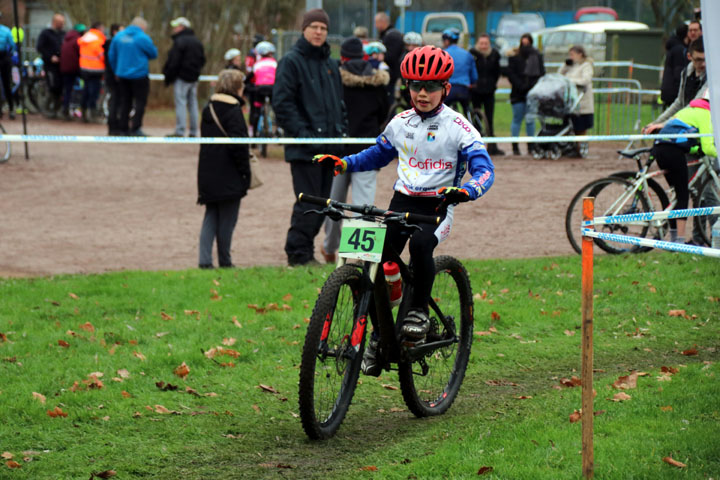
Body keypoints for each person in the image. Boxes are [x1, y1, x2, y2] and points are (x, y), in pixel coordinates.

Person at [315, 45, 494, 375]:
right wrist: (344, 162)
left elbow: (485, 170)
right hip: (402, 202)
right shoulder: (400, 122)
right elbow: (377, 154)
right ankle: (381, 333)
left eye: (431, 87)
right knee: (374, 256)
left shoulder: (460, 127)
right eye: (415, 86)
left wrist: (466, 191)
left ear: (446, 89)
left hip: (438, 206)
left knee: (422, 245)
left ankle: (418, 312)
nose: (422, 93)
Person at [272, 8, 347, 266]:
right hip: (304, 149)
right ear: (304, 29)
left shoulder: (330, 64)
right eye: (314, 27)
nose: (318, 32)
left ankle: (305, 252)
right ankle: (298, 254)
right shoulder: (291, 62)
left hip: (330, 146)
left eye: (323, 28)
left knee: (324, 204)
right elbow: (282, 104)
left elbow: (339, 102)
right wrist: (303, 135)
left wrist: (341, 130)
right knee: (308, 202)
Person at [320, 37, 389, 264]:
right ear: (364, 55)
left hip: (341, 149)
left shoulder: (336, 81)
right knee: (364, 204)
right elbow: (383, 114)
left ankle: (330, 248)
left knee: (335, 202)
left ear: (343, 57)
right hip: (368, 151)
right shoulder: (378, 80)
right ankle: (360, 255)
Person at [197, 69, 251, 269]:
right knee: (227, 220)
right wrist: (246, 173)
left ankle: (204, 261)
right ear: (237, 87)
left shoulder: (207, 108)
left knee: (211, 215)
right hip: (229, 173)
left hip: (207, 170)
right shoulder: (234, 111)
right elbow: (240, 147)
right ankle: (225, 261)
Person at [650, 88, 715, 245]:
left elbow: (685, 137)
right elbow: (708, 147)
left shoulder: (690, 110)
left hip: (661, 147)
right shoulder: (705, 114)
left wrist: (695, 150)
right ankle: (678, 241)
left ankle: (673, 240)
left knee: (676, 195)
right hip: (672, 151)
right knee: (682, 194)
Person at [108, 16, 158, 136]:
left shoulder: (118, 36)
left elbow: (111, 55)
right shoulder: (143, 38)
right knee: (140, 102)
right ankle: (135, 128)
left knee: (125, 102)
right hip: (139, 75)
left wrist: (116, 70)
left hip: (122, 75)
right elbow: (153, 53)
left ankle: (123, 128)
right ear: (142, 27)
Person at [644, 38, 706, 134]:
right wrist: (655, 123)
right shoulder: (685, 73)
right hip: (685, 123)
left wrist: (665, 124)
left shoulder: (712, 77)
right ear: (689, 56)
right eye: (698, 59)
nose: (703, 64)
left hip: (701, 126)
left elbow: (694, 106)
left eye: (705, 59)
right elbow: (679, 102)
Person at [163, 17, 205, 138]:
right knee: (193, 104)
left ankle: (180, 131)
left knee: (181, 103)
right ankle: (193, 131)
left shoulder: (180, 41)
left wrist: (169, 75)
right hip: (194, 78)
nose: (174, 29)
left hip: (182, 78)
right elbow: (202, 60)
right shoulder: (197, 41)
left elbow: (174, 61)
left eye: (176, 26)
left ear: (182, 27)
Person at [504, 33, 544, 156]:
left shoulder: (537, 56)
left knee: (530, 120)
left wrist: (531, 87)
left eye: (528, 42)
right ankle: (515, 147)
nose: (525, 45)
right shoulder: (514, 57)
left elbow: (541, 73)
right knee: (517, 119)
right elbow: (511, 74)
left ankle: (531, 146)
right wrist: (520, 85)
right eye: (523, 42)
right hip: (517, 93)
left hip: (532, 93)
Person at [469, 33, 503, 155]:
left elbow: (497, 72)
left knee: (490, 119)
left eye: (486, 44)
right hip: (475, 91)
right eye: (481, 43)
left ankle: (492, 147)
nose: (483, 46)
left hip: (489, 91)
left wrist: (493, 84)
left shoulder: (494, 55)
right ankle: (475, 146)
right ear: (478, 44)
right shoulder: (472, 55)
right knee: (476, 119)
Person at [558, 45, 594, 156]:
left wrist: (570, 80)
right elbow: (559, 75)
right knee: (569, 127)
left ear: (580, 54)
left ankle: (580, 149)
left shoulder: (586, 66)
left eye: (572, 54)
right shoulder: (571, 65)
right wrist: (565, 65)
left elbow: (585, 80)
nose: (571, 57)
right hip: (571, 103)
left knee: (581, 128)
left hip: (582, 104)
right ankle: (570, 147)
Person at [441, 28, 477, 116]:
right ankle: (473, 124)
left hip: (449, 90)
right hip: (464, 89)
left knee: (442, 112)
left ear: (446, 41)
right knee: (467, 109)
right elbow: (474, 76)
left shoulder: (443, 54)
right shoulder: (467, 54)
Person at [36, 13, 66, 117]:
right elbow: (40, 47)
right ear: (55, 22)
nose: (63, 25)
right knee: (53, 86)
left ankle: (56, 109)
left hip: (61, 65)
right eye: (60, 23)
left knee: (60, 87)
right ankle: (47, 108)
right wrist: (50, 57)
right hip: (50, 65)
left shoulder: (62, 34)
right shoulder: (45, 33)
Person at [247, 41, 276, 143]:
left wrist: (246, 83)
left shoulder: (257, 64)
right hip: (272, 88)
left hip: (259, 89)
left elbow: (251, 77)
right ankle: (279, 129)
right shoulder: (274, 62)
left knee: (256, 110)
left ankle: (254, 136)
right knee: (277, 108)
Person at [77, 21, 106, 123]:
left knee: (86, 90)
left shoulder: (85, 38)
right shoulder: (97, 40)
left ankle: (84, 112)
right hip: (95, 70)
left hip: (84, 69)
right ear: (99, 28)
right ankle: (92, 114)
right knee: (94, 92)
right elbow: (102, 56)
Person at [374, 12, 404, 98]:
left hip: (392, 76)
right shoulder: (386, 34)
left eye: (376, 22)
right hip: (389, 74)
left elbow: (393, 56)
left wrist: (382, 56)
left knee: (390, 99)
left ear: (382, 22)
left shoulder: (392, 35)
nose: (375, 26)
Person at [660, 24, 689, 107]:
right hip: (674, 93)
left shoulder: (672, 48)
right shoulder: (680, 50)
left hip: (668, 90)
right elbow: (679, 72)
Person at [104, 23, 124, 134]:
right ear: (115, 31)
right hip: (114, 77)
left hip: (113, 76)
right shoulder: (112, 44)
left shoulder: (111, 43)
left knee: (116, 102)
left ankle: (115, 126)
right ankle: (113, 126)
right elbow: (112, 61)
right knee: (115, 102)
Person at [0, 20, 16, 120]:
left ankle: (11, 108)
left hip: (4, 58)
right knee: (6, 84)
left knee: (6, 84)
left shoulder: (6, 30)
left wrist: (9, 55)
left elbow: (13, 46)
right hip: (5, 58)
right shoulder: (6, 30)